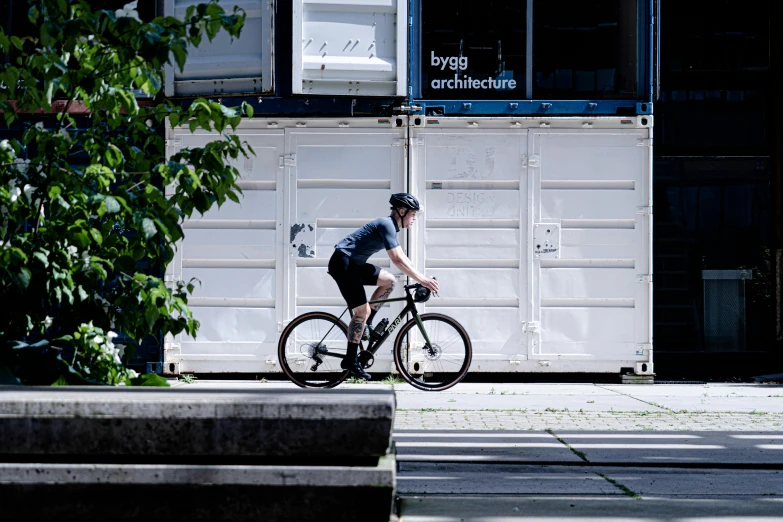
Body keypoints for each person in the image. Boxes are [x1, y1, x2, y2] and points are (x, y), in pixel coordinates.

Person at [328, 193, 440, 380]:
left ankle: (368, 323)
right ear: (402, 211)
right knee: (360, 312)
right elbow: (396, 259)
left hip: (354, 264)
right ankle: (350, 359)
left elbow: (403, 258)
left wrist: (421, 277)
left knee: (389, 281)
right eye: (413, 215)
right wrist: (421, 280)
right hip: (343, 263)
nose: (414, 219)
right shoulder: (386, 224)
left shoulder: (391, 228)